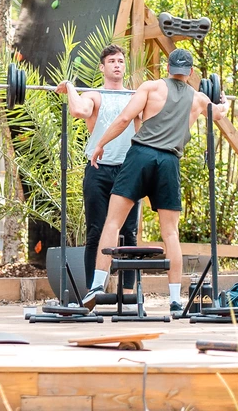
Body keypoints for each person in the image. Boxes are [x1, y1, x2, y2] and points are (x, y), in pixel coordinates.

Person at [81, 48, 228, 315]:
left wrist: (100, 144)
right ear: (191, 73)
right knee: (170, 232)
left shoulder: (151, 87)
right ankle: (174, 300)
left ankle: (96, 286)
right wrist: (224, 101)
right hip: (169, 163)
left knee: (113, 222)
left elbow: (125, 119)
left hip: (140, 157)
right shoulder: (199, 99)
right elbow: (218, 114)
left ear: (168, 68)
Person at [54, 44, 140, 292]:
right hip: (98, 169)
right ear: (102, 67)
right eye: (112, 61)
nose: (117, 64)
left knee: (129, 233)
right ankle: (94, 291)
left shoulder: (135, 97)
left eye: (121, 61)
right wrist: (70, 86)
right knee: (95, 232)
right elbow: (78, 110)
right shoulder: (94, 95)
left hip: (128, 170)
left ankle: (129, 295)